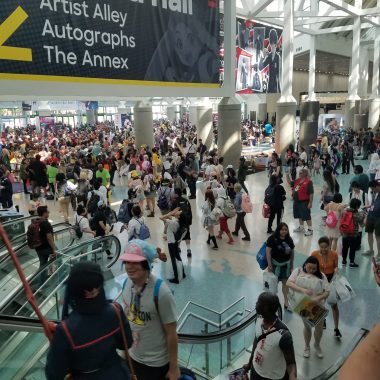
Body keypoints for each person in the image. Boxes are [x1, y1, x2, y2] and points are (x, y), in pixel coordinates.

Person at [45, 262, 133, 380]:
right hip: (118, 374)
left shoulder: (65, 330)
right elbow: (126, 343)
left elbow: (54, 374)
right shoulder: (115, 310)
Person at [120, 240, 180, 380]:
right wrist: (125, 352)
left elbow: (171, 333)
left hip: (156, 363)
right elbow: (127, 323)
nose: (129, 267)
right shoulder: (126, 285)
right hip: (133, 357)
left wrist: (174, 368)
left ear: (146, 263)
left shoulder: (161, 292)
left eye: (135, 262)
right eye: (127, 262)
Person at [245, 292, 297, 380]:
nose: (256, 304)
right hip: (255, 372)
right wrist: (249, 364)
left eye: (259, 302)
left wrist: (293, 377)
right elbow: (256, 342)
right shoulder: (258, 320)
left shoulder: (284, 335)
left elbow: (291, 363)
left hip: (273, 377)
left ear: (266, 308)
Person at [286, 256, 330, 359]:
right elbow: (289, 283)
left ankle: (317, 345)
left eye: (314, 269)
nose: (311, 271)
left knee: (319, 327)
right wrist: (302, 290)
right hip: (302, 305)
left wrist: (318, 298)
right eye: (309, 268)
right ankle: (307, 347)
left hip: (317, 306)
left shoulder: (321, 276)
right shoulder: (298, 271)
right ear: (305, 264)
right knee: (307, 326)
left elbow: (327, 292)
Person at [311, 236, 341, 338]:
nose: (323, 249)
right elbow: (310, 267)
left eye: (326, 247)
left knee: (334, 305)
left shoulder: (334, 254)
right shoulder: (314, 254)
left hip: (330, 281)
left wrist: (336, 269)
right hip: (319, 281)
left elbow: (336, 266)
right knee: (320, 304)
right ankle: (322, 320)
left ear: (329, 246)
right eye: (321, 247)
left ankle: (336, 328)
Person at [266, 223, 294, 310]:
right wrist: (269, 264)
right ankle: (271, 303)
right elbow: (268, 252)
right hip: (274, 266)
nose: (284, 231)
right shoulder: (272, 239)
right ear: (278, 230)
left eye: (286, 229)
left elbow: (292, 253)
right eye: (282, 229)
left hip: (286, 266)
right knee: (273, 285)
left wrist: (292, 265)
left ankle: (286, 302)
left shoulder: (289, 239)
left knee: (286, 285)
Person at [160, 207, 186, 284]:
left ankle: (176, 278)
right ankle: (183, 273)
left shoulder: (173, 222)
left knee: (173, 259)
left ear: (179, 216)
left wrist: (170, 213)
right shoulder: (178, 222)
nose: (178, 211)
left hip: (171, 242)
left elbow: (161, 217)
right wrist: (173, 213)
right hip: (175, 242)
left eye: (179, 212)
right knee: (178, 256)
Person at [34, 206, 58, 282]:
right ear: (44, 213)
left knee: (43, 264)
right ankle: (54, 276)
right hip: (46, 248)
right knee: (59, 257)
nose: (49, 212)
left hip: (38, 247)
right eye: (47, 211)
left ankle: (41, 281)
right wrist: (54, 249)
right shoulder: (45, 223)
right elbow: (49, 237)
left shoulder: (37, 221)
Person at [341, 198, 365, 267]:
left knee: (344, 248)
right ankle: (351, 263)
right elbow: (362, 223)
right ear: (357, 207)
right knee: (352, 249)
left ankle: (344, 261)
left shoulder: (345, 212)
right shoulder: (357, 214)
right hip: (353, 235)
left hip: (344, 234)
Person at [292, 168, 314, 236]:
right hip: (296, 201)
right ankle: (301, 227)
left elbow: (311, 193)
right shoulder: (298, 180)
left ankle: (310, 229)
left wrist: (310, 202)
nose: (299, 174)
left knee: (306, 215)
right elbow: (292, 185)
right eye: (299, 173)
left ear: (305, 174)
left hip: (304, 201)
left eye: (301, 173)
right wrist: (287, 175)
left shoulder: (308, 182)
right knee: (299, 214)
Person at [363, 180, 380, 258]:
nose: (372, 190)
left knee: (378, 236)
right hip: (371, 215)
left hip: (378, 217)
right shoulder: (373, 193)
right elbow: (373, 204)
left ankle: (379, 254)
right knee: (369, 233)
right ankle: (371, 250)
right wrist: (368, 207)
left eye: (373, 188)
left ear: (377, 186)